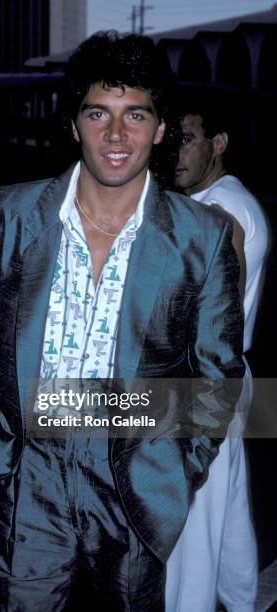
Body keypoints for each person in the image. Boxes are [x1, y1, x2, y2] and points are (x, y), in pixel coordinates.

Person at [0, 32, 244, 611]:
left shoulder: (202, 238)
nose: (115, 135)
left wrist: (179, 470)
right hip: (27, 469)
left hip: (133, 473)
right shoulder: (3, 216)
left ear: (159, 129)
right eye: (97, 114)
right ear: (74, 123)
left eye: (135, 115)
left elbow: (216, 376)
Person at [166, 100, 269, 612]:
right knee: (226, 515)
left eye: (187, 139)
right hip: (230, 378)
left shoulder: (218, 213)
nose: (175, 153)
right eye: (173, 140)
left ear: (218, 143)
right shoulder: (229, 200)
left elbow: (215, 319)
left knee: (190, 535)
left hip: (203, 381)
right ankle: (244, 601)